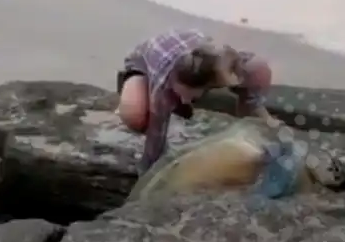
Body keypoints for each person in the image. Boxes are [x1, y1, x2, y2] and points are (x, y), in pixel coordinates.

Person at [116, 29, 276, 174]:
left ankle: (248, 118)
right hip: (142, 64)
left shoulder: (224, 61)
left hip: (200, 65)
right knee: (135, 116)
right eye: (180, 95)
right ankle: (136, 90)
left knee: (257, 73)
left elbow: (258, 69)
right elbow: (155, 140)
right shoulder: (163, 83)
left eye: (190, 96)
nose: (185, 99)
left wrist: (254, 104)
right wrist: (148, 172)